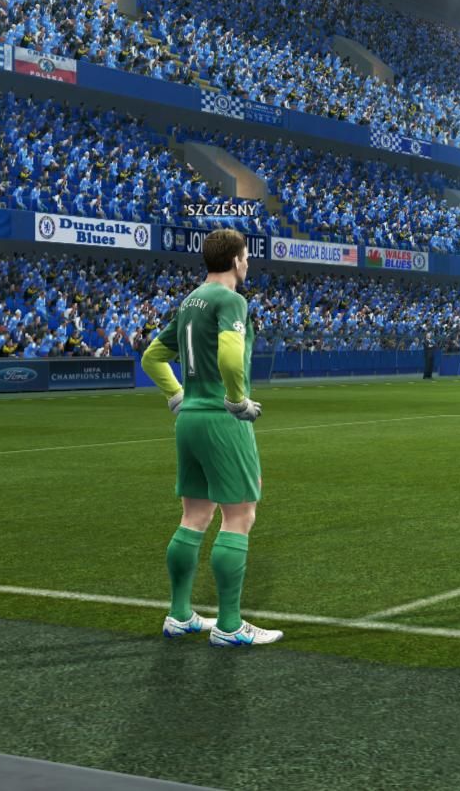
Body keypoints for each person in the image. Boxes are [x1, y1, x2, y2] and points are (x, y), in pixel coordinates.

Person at [140, 229, 280, 647]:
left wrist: (176, 394)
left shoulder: (189, 302)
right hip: (221, 419)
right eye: (246, 257)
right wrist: (237, 401)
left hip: (190, 419)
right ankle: (230, 626)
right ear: (236, 260)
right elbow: (230, 356)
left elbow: (152, 357)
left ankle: (180, 615)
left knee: (194, 516)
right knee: (240, 516)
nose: (248, 263)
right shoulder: (231, 300)